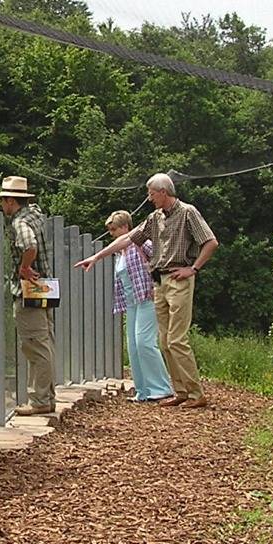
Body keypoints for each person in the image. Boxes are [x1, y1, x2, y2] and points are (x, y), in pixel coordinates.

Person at [76, 173, 217, 408]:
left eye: (151, 193)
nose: (149, 198)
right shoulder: (155, 218)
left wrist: (193, 269)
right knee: (164, 340)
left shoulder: (188, 212)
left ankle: (196, 393)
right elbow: (128, 239)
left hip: (178, 278)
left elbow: (210, 242)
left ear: (163, 192)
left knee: (177, 339)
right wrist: (98, 256)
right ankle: (180, 391)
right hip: (159, 281)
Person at [0, 176, 57, 416]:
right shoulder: (36, 214)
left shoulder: (19, 222)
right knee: (46, 342)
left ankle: (40, 399)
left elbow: (29, 245)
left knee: (35, 346)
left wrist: (23, 268)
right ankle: (47, 396)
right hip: (44, 287)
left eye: (3, 200)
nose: (2, 205)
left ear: (11, 200)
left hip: (28, 290)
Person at [105, 210, 174, 403]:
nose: (112, 234)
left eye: (114, 229)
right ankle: (142, 388)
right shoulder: (120, 253)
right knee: (133, 346)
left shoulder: (143, 244)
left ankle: (161, 387)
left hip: (147, 297)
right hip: (131, 301)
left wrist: (156, 285)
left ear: (125, 227)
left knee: (145, 342)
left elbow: (161, 261)